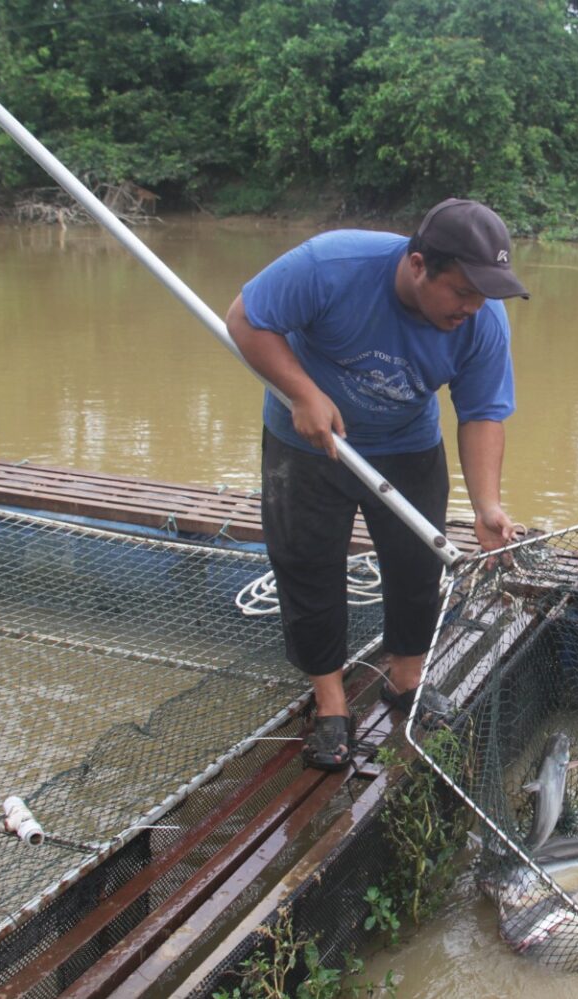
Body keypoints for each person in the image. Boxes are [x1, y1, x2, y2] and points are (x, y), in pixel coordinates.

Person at [225, 198, 528, 771]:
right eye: (462, 291)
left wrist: (487, 505)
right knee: (308, 566)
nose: (472, 307)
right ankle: (332, 702)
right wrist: (302, 391)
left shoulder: (481, 321)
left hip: (406, 445)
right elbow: (245, 318)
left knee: (417, 568)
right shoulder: (330, 266)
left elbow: (484, 411)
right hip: (308, 443)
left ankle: (406, 680)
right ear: (418, 265)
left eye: (483, 295)